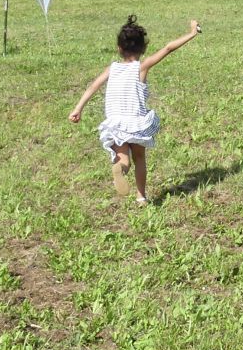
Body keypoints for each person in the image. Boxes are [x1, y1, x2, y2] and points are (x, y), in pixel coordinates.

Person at [68, 14, 201, 206]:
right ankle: (141, 197)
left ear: (119, 48)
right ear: (144, 47)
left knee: (125, 161)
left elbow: (92, 87)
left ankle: (120, 169)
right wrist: (192, 32)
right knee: (139, 159)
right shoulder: (141, 67)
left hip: (115, 123)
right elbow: (168, 48)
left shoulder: (112, 68)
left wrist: (77, 108)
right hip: (136, 122)